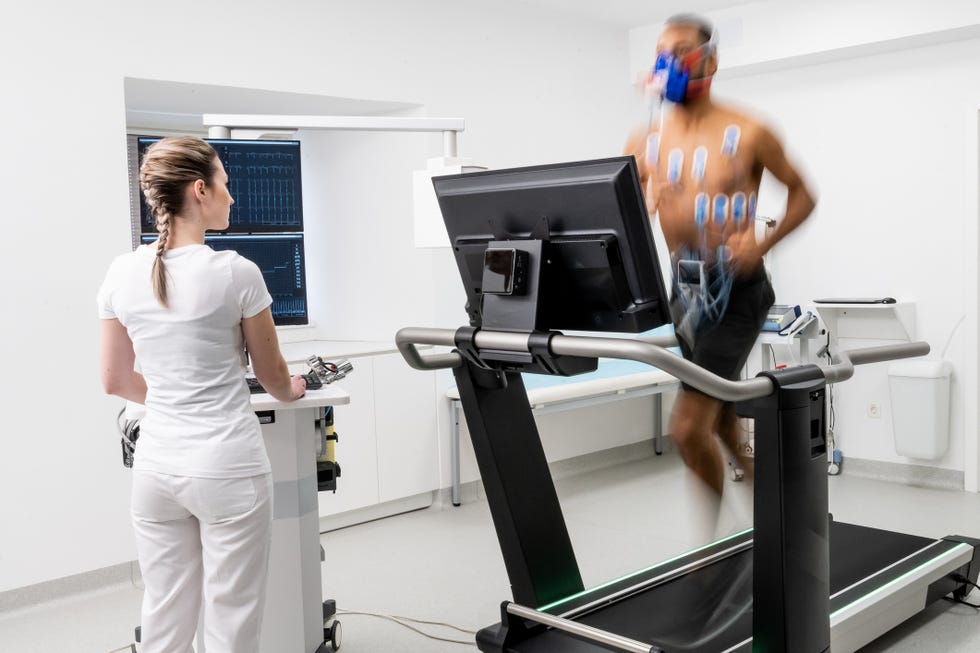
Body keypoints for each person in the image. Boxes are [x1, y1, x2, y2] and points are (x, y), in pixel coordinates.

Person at [98, 136, 307, 653]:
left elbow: (115, 381)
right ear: (199, 189)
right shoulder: (236, 272)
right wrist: (296, 387)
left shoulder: (121, 273)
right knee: (229, 620)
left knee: (164, 615)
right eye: (225, 186)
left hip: (156, 469)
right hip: (228, 469)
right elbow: (274, 377)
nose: (232, 198)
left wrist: (175, 396)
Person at [625, 14, 816, 498]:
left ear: (709, 59)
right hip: (682, 289)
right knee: (721, 415)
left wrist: (762, 243)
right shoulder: (643, 143)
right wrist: (644, 203)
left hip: (736, 291)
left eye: (682, 50)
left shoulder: (749, 131)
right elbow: (619, 215)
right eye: (661, 52)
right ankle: (762, 512)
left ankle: (712, 548)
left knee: (689, 427)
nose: (669, 62)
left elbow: (802, 194)